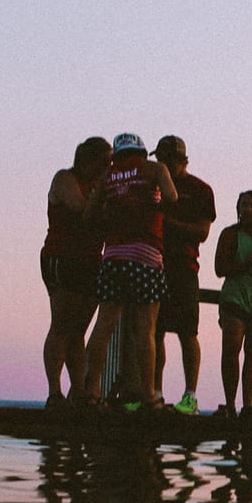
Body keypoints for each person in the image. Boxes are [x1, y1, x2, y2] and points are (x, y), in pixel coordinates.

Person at [78, 133, 177, 413]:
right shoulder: (155, 169)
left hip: (113, 255)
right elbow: (172, 197)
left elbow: (88, 215)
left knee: (104, 324)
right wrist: (151, 208)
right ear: (142, 151)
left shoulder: (107, 176)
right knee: (146, 328)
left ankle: (91, 392)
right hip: (146, 253)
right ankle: (149, 397)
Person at [41, 137, 112, 409]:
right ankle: (55, 392)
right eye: (105, 161)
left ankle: (79, 390)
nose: (109, 166)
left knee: (79, 329)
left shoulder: (100, 187)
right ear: (89, 160)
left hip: (91, 261)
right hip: (63, 257)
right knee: (61, 325)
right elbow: (81, 209)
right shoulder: (65, 179)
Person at [150, 135, 215, 415]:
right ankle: (155, 393)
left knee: (188, 332)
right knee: (154, 331)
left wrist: (168, 224)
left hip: (184, 268)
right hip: (154, 265)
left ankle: (190, 396)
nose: (162, 165)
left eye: (167, 160)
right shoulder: (152, 185)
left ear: (182, 161)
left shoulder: (200, 190)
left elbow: (202, 232)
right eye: (159, 159)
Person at [213, 191, 252, 417]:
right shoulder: (230, 234)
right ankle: (230, 404)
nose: (248, 209)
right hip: (235, 298)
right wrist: (246, 264)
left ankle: (248, 405)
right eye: (244, 205)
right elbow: (219, 268)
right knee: (231, 351)